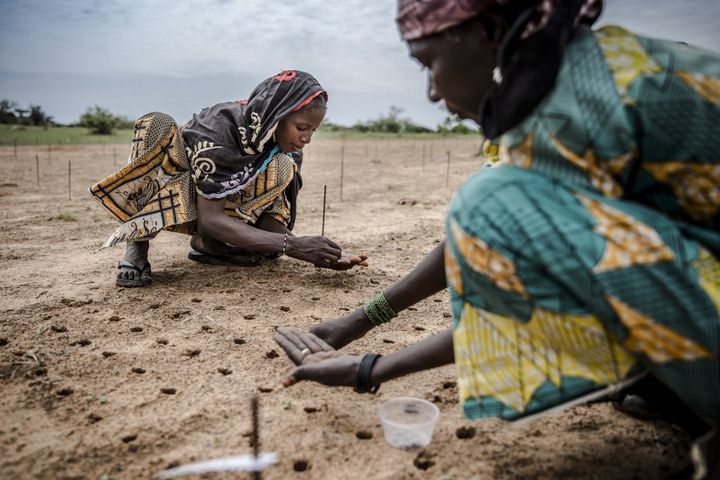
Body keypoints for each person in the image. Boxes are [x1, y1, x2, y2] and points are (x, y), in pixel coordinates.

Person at [273, 1, 719, 477]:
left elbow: (525, 289)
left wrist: (371, 369)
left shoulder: (579, 109)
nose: (430, 92)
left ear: (488, 30)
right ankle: (675, 391)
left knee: (486, 198)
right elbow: (482, 237)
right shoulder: (565, 86)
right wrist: (359, 321)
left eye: (429, 64)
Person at [90, 70, 368, 287]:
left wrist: (319, 255)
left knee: (285, 165)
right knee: (156, 124)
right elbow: (211, 219)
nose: (306, 138)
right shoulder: (221, 132)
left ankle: (210, 247)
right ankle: (137, 246)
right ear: (277, 116)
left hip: (217, 207)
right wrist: (295, 247)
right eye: (302, 127)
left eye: (313, 131)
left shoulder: (284, 149)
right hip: (177, 191)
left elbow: (270, 221)